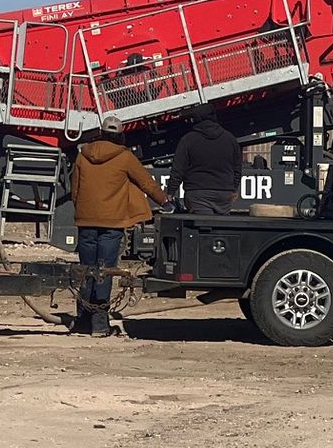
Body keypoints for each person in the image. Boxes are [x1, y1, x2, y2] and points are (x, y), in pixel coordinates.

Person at [67, 115, 168, 336]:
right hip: (112, 222)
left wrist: (83, 210)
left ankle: (83, 321)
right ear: (121, 134)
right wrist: (164, 200)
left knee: (85, 269)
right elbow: (145, 182)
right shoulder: (125, 157)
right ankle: (100, 325)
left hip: (86, 220)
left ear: (101, 133)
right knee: (104, 270)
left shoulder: (83, 155)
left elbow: (75, 188)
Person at [170, 103, 241, 215]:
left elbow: (177, 169)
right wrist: (234, 189)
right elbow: (237, 168)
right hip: (224, 194)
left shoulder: (188, 140)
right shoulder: (230, 139)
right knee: (220, 229)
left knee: (202, 228)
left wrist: (171, 192)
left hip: (197, 194)